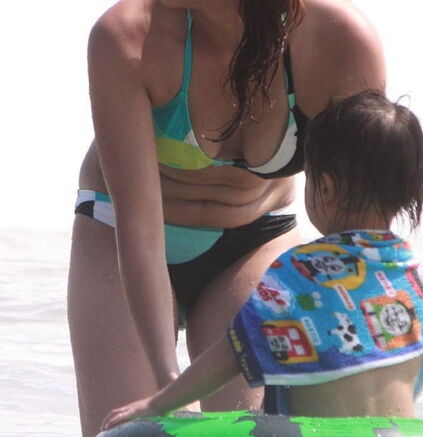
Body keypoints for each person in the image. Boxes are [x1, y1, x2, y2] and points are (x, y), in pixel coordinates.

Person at [67, 0, 385, 435]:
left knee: (248, 427)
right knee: (129, 430)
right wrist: (168, 386)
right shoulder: (126, 35)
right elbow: (138, 223)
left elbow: (361, 224)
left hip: (256, 239)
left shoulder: (341, 40)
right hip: (118, 233)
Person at [100, 91, 423, 431]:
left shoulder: (298, 272)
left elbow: (232, 353)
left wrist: (159, 403)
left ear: (324, 187)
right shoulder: (418, 277)